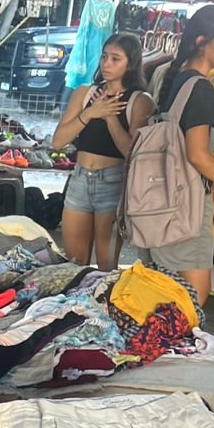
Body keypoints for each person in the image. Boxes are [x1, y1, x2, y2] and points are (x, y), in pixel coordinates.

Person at [129, 3, 214, 305]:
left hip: (159, 200)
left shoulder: (176, 78)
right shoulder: (200, 88)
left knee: (163, 296)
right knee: (190, 302)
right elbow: (197, 155)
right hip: (185, 205)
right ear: (201, 41)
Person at [52, 33, 153, 269]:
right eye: (104, 57)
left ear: (131, 63)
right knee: (74, 263)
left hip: (113, 181)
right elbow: (58, 141)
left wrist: (110, 118)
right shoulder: (85, 93)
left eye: (115, 59)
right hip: (79, 178)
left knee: (106, 266)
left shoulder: (140, 100)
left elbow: (132, 153)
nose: (107, 64)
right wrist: (90, 113)